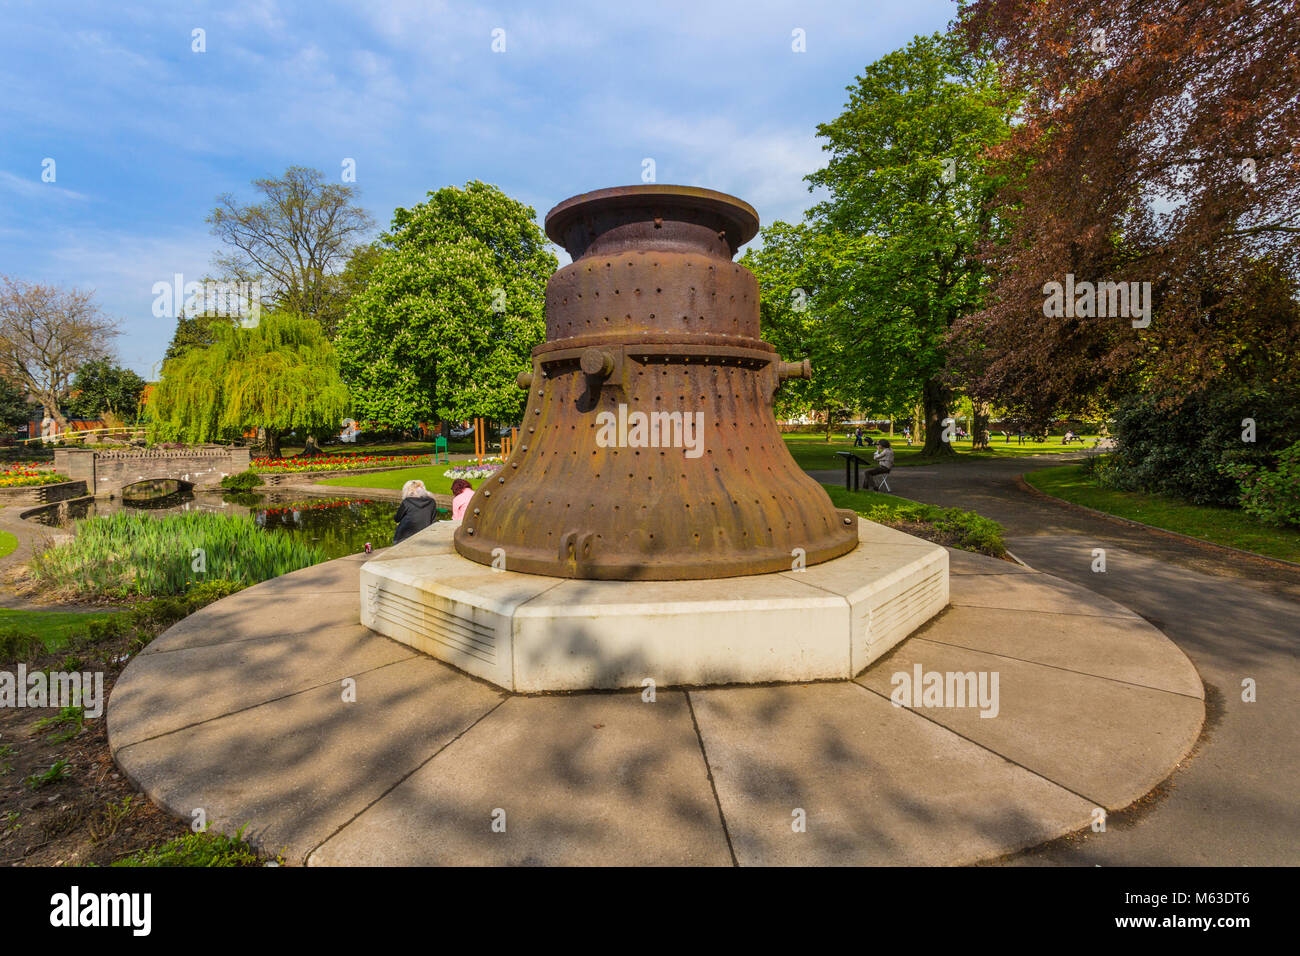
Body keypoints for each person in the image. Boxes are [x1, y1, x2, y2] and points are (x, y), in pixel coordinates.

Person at [393, 479, 436, 544]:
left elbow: (397, 519)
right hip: (424, 536)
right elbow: (432, 521)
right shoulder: (432, 502)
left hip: (403, 537)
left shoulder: (407, 502)